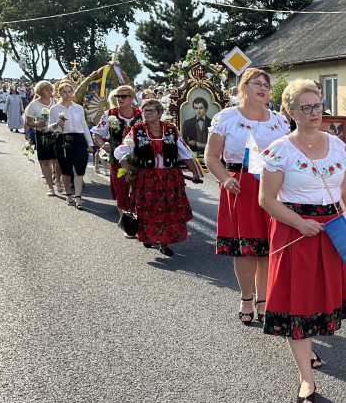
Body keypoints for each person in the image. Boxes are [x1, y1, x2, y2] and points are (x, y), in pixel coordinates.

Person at [259, 79, 346, 403]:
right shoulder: (279, 150)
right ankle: (306, 377)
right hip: (295, 232)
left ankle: (309, 352)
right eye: (307, 107)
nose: (315, 113)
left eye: (318, 106)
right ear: (289, 112)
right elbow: (267, 199)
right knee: (296, 304)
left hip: (331, 230)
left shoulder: (339, 147)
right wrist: (300, 223)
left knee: (318, 299)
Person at [204, 68, 290, 325]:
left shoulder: (279, 121)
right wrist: (225, 179)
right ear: (243, 88)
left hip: (272, 188)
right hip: (239, 187)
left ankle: (263, 300)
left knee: (267, 247)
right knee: (245, 249)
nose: (263, 88)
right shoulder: (226, 118)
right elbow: (211, 157)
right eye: (257, 83)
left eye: (266, 84)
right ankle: (245, 297)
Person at [115, 98, 201, 256]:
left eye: (151, 110)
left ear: (160, 113)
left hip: (169, 177)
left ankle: (163, 244)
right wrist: (128, 173)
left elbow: (184, 152)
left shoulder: (171, 130)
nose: (147, 113)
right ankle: (148, 236)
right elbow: (121, 153)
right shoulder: (137, 130)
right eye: (145, 111)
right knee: (147, 210)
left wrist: (194, 172)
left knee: (167, 211)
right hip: (146, 179)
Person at [90, 85, 142, 226]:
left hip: (138, 159)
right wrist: (102, 144)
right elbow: (96, 133)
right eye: (117, 96)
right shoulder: (110, 114)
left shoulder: (140, 114)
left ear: (132, 98)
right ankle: (127, 224)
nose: (119, 99)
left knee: (140, 189)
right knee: (122, 190)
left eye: (123, 96)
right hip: (117, 159)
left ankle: (140, 218)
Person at [49, 82, 94, 210]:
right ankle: (69, 195)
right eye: (64, 92)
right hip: (62, 140)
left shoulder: (78, 108)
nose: (67, 94)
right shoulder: (55, 109)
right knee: (66, 169)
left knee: (79, 169)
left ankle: (78, 198)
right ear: (60, 93)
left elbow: (84, 126)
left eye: (70, 92)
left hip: (79, 140)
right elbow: (49, 127)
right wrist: (56, 124)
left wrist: (90, 143)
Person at [24, 81, 62, 195]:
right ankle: (50, 187)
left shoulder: (55, 102)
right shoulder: (34, 105)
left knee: (59, 160)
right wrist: (37, 124)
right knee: (46, 161)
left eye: (51, 90)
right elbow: (29, 122)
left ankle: (58, 181)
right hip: (42, 135)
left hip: (56, 134)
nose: (50, 92)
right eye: (47, 90)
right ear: (40, 91)